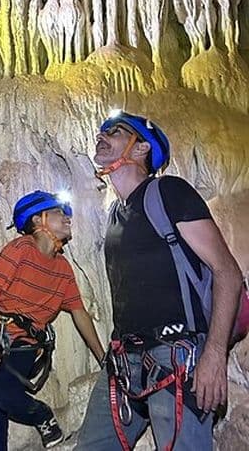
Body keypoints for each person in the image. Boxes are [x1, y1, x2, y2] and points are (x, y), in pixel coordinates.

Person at [75, 110, 244, 450]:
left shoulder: (169, 193)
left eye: (116, 131)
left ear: (140, 149)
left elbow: (227, 271)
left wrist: (214, 355)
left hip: (176, 357)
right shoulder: (115, 215)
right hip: (123, 359)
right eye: (103, 130)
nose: (102, 134)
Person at [0, 190, 105, 451]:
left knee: (3, 396)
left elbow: (79, 313)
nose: (67, 218)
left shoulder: (63, 269)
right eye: (58, 213)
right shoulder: (20, 249)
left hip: (24, 342)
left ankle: (41, 414)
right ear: (38, 220)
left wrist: (102, 357)